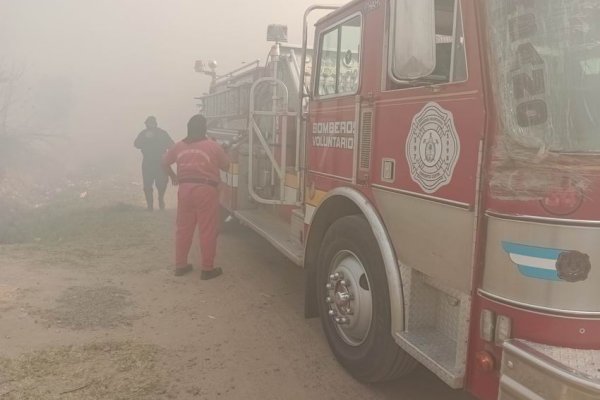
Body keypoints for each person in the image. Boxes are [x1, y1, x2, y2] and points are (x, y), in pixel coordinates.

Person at [162, 114, 229, 279]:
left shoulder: (178, 146)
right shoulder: (212, 146)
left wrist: (173, 177)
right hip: (206, 190)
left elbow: (163, 162)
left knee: (183, 229)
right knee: (207, 229)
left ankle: (181, 266)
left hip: (185, 190)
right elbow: (226, 166)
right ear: (204, 129)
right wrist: (222, 153)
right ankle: (207, 269)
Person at [134, 116, 174, 211]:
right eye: (148, 124)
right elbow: (136, 144)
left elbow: (171, 145)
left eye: (150, 123)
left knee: (161, 184)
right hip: (150, 162)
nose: (149, 125)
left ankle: (160, 199)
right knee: (148, 185)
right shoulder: (144, 134)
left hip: (159, 162)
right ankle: (150, 206)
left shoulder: (162, 133)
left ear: (155, 124)